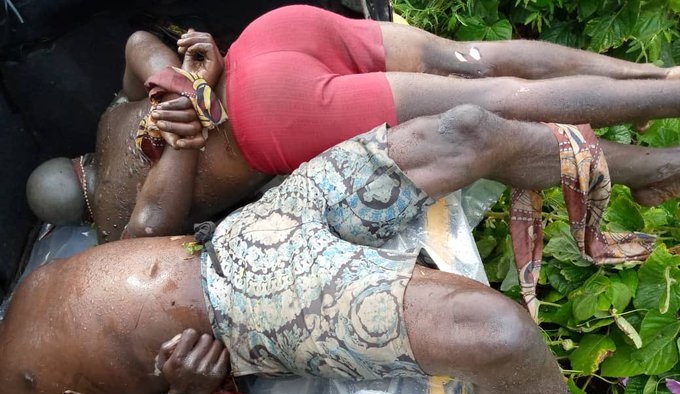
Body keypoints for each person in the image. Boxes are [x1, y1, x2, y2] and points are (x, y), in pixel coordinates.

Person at [3, 105, 680, 394]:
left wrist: (178, 142)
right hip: (240, 309)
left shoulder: (21, 303)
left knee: (464, 131)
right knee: (494, 331)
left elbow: (137, 245)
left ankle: (649, 168)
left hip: (237, 235)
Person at [26, 4, 680, 241]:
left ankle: (657, 153)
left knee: (501, 102)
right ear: (76, 161)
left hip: (276, 115)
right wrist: (185, 79)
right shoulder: (113, 120)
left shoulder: (108, 222)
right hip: (269, 38)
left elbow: (152, 228)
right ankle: (659, 79)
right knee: (476, 61)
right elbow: (139, 43)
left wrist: (187, 130)